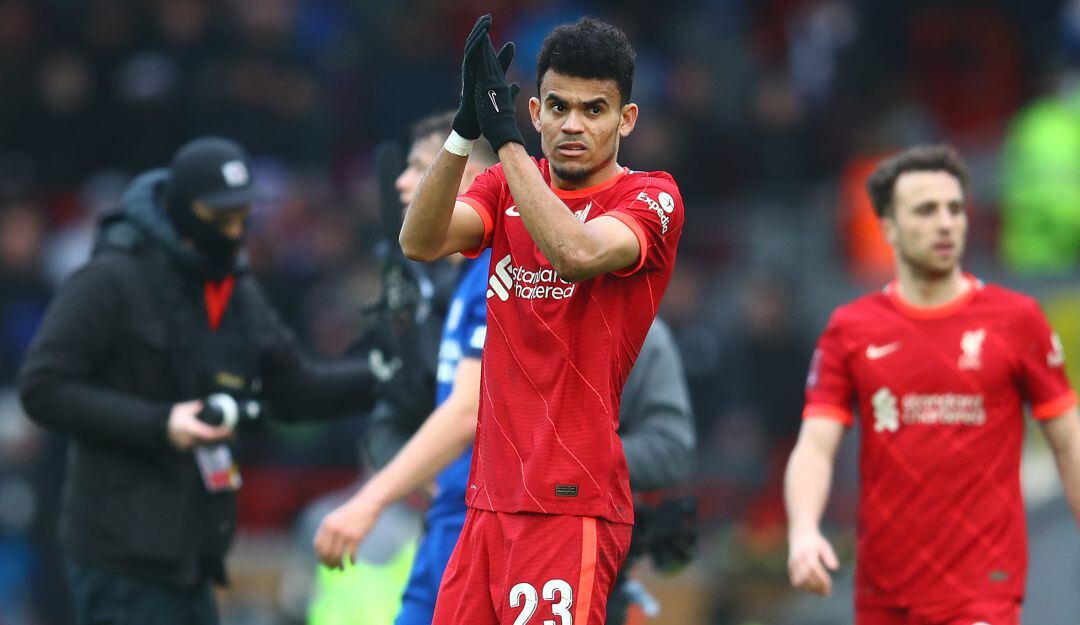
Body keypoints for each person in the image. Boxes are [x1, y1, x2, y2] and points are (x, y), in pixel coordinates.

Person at [318, 13, 685, 624]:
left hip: (570, 504)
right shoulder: (500, 184)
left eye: (594, 110)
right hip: (486, 502)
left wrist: (507, 139)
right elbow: (420, 240)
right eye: (559, 106)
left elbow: (575, 254)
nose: (572, 124)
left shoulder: (650, 197)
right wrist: (464, 133)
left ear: (627, 120)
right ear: (536, 109)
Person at [18, 136, 382, 625]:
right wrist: (161, 422)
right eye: (221, 216)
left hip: (194, 552)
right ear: (179, 210)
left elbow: (294, 391)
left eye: (243, 216)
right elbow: (43, 388)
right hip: (120, 553)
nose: (235, 231)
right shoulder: (111, 280)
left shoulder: (234, 287)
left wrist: (389, 373)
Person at [784, 145, 1080, 625]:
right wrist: (803, 532)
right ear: (889, 229)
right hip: (884, 591)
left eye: (955, 208)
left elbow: (1068, 440)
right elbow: (816, 447)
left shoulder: (1017, 320)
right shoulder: (851, 328)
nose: (946, 223)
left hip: (983, 589)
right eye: (926, 210)